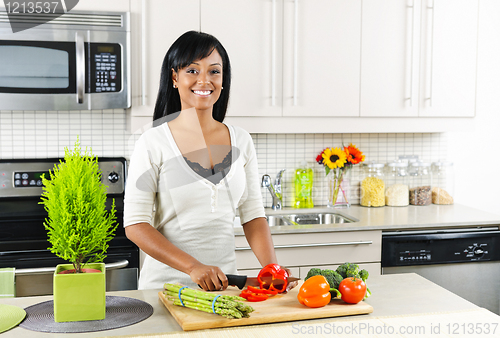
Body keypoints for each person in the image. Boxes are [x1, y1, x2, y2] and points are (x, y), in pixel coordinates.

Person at [124, 31, 297, 292]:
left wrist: (272, 269)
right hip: (165, 290)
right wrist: (193, 267)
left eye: (214, 71)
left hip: (224, 289)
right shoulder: (152, 142)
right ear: (174, 77)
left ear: (223, 78)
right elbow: (136, 226)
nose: (204, 80)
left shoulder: (241, 140)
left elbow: (253, 217)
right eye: (192, 70)